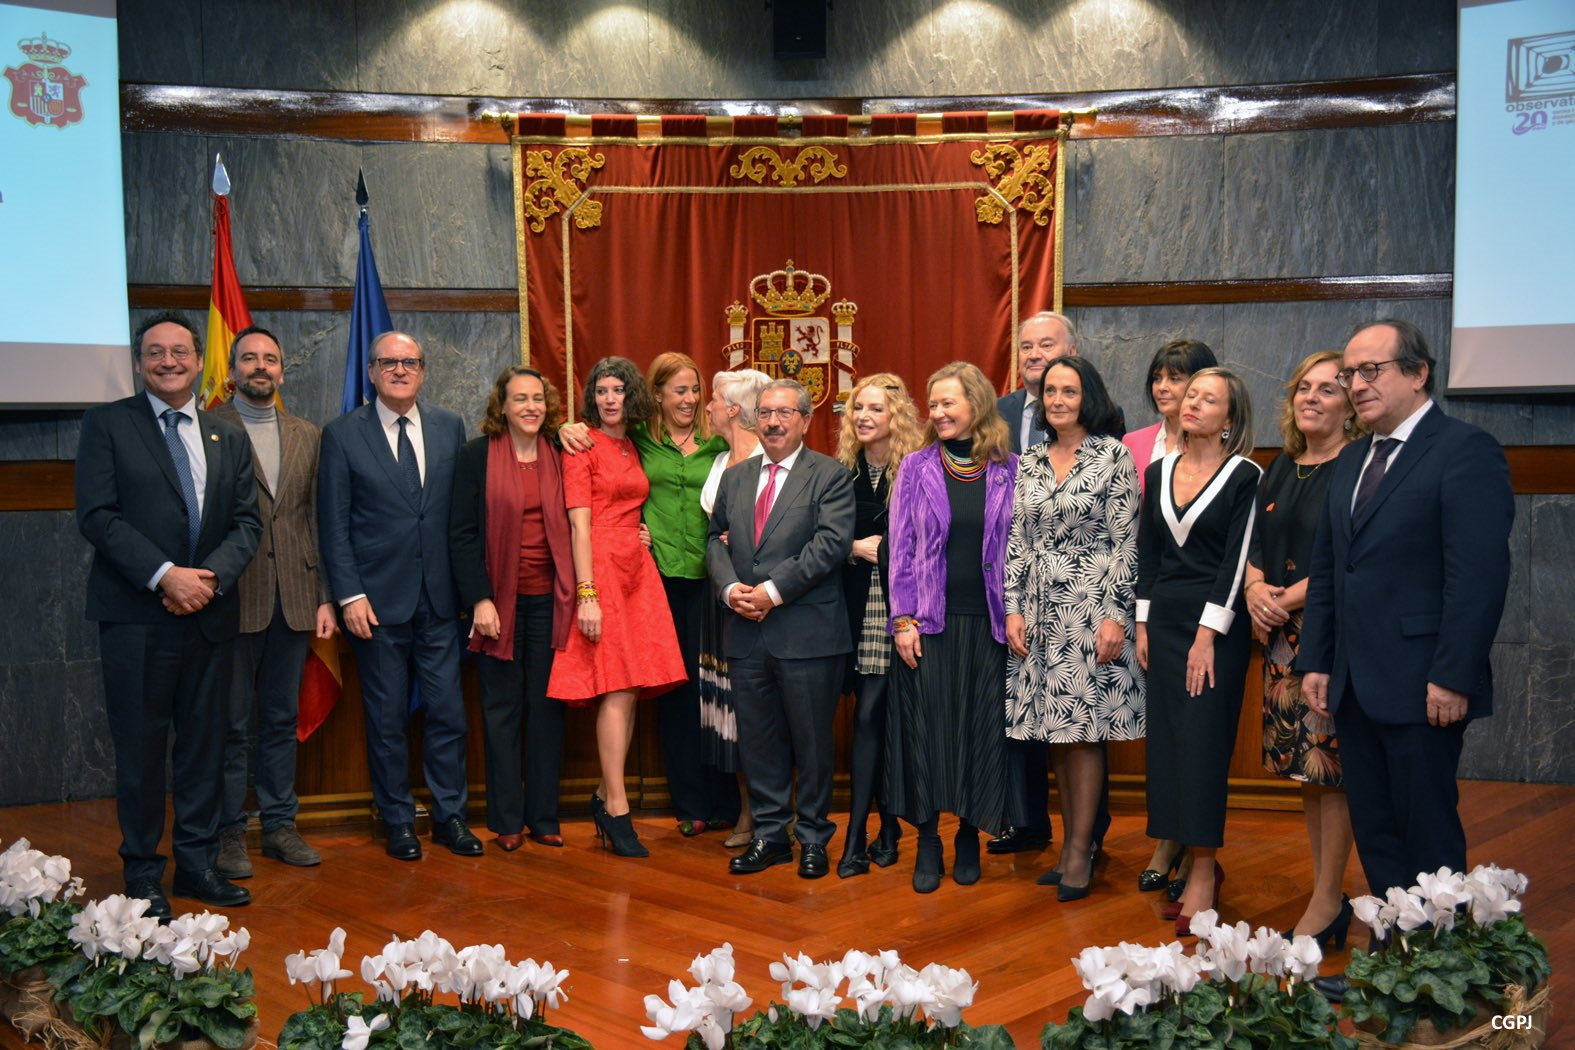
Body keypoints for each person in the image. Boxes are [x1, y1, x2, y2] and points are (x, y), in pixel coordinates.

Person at [1299, 320, 1512, 975]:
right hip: (1354, 681)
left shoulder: (1464, 450)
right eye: (1349, 374)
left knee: (1426, 830)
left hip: (1425, 684)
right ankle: (1394, 962)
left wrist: (1452, 673)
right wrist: (1315, 659)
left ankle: (1440, 967)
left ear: (1417, 373)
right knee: (1377, 829)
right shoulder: (1354, 458)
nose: (1354, 385)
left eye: (1370, 372)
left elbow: (1475, 576)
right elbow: (1333, 569)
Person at [76, 311, 262, 916]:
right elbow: (99, 515)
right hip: (137, 616)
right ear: (138, 362)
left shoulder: (226, 435)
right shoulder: (107, 425)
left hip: (208, 613)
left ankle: (197, 866)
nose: (168, 362)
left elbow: (246, 523)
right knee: (141, 749)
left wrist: (207, 579)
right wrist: (166, 576)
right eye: (155, 353)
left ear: (197, 359)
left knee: (205, 747)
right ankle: (142, 872)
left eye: (180, 352)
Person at [318, 331, 478, 861]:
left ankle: (451, 816)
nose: (400, 369)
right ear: (371, 372)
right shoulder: (342, 434)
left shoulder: (450, 426)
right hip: (376, 605)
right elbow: (334, 525)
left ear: (424, 371)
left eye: (409, 362)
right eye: (389, 362)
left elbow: (460, 517)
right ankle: (397, 820)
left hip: (440, 601)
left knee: (448, 715)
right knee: (386, 721)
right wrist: (348, 595)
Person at [1004, 356, 1144, 902]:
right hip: (1039, 613)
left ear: (1090, 397)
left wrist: (1115, 614)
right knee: (1056, 735)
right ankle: (1069, 846)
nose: (1059, 400)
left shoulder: (1113, 456)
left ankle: (1082, 851)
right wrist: (1014, 609)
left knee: (1084, 735)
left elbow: (1126, 541)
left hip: (1090, 610)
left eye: (1070, 391)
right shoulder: (1032, 461)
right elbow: (1017, 541)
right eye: (1051, 392)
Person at [707, 379, 854, 880]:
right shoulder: (737, 477)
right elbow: (714, 542)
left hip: (808, 634)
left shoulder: (830, 476)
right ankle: (771, 835)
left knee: (812, 743)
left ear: (807, 420)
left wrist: (769, 592)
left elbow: (830, 545)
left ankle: (813, 837)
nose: (772, 422)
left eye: (784, 413)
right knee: (759, 741)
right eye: (765, 413)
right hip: (746, 631)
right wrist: (730, 591)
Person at [1134, 366, 1261, 936]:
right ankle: (1180, 852)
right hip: (1162, 621)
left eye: (1209, 400)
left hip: (1216, 626)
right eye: (1191, 396)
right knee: (1168, 744)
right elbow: (1150, 555)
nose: (1193, 404)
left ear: (1230, 419)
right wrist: (1141, 623)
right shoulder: (1159, 469)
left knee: (1204, 744)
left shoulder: (1246, 475)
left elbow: (1236, 563)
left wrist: (1208, 635)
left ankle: (1205, 870)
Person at [546, 356, 687, 858]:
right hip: (602, 568)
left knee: (628, 686)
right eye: (601, 391)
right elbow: (578, 525)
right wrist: (587, 593)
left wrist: (640, 532)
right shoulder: (580, 443)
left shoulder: (631, 442)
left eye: (619, 391)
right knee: (613, 684)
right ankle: (617, 806)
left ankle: (607, 797)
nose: (610, 399)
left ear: (632, 397)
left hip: (637, 566)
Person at [887, 362, 1020, 893]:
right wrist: (903, 620)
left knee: (977, 733)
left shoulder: (1008, 469)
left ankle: (969, 833)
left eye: (949, 403)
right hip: (929, 624)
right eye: (933, 404)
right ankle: (927, 840)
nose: (938, 412)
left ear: (977, 405)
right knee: (927, 736)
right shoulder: (916, 468)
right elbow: (900, 550)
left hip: (988, 623)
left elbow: (1021, 549)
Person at [1245, 351, 1362, 947]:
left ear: (1350, 406)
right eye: (1304, 388)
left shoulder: (1357, 466)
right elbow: (1258, 546)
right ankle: (1328, 893)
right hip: (1279, 642)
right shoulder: (1280, 467)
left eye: (1328, 389)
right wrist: (1254, 587)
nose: (1312, 398)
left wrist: (1282, 599)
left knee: (1330, 769)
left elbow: (1348, 560)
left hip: (1326, 636)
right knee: (1305, 774)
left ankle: (1326, 899)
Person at [212, 325, 335, 879]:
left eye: (270, 359)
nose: (260, 367)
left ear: (282, 371)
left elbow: (317, 519)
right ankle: (229, 832)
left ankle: (280, 825)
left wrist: (326, 598)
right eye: (250, 359)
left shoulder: (308, 434)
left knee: (281, 720)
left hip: (296, 596)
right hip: (232, 598)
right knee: (231, 722)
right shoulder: (210, 429)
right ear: (232, 371)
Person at [450, 366, 575, 853]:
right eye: (520, 398)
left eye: (538, 398)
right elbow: (460, 533)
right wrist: (480, 597)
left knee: (546, 710)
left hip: (552, 601)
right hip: (496, 604)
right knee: (501, 712)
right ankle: (506, 819)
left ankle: (544, 816)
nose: (530, 407)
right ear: (501, 405)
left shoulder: (563, 455)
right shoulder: (476, 456)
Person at [1123, 337, 1218, 896]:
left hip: (1202, 611)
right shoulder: (1133, 445)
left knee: (1195, 733)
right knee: (1160, 732)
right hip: (1144, 602)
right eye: (1158, 376)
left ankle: (1195, 846)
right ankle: (1167, 838)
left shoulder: (1230, 458)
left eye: (1177, 377)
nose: (1165, 387)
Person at [833, 373, 923, 878]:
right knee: (870, 716)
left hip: (901, 608)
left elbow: (927, 541)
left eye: (875, 409)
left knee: (881, 717)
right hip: (849, 606)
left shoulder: (915, 469)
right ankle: (879, 826)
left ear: (897, 417)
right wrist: (851, 546)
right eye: (857, 409)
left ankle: (864, 832)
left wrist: (882, 549)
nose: (864, 417)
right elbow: (821, 534)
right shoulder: (841, 470)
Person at [697, 368, 773, 849]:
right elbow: (713, 532)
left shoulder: (773, 460)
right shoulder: (719, 459)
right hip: (720, 598)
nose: (706, 406)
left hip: (763, 601)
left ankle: (769, 812)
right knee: (732, 711)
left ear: (733, 409)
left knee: (762, 710)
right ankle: (746, 808)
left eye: (714, 399)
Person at [1123, 339, 1220, 495]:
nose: (1162, 388)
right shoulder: (1132, 442)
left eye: (1174, 379)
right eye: (1157, 378)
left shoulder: (1213, 446)